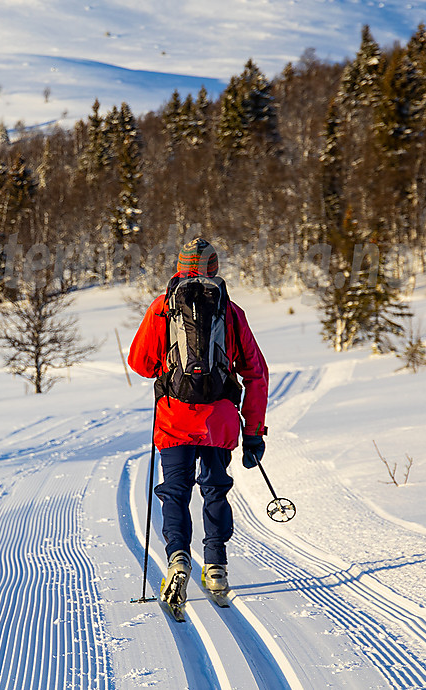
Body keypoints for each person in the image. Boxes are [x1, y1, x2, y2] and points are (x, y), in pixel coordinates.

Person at [128, 237, 268, 606]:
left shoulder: (162, 308)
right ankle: (216, 565)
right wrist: (253, 433)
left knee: (175, 491)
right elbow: (256, 373)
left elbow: (140, 365)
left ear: (179, 267)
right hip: (220, 420)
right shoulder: (231, 311)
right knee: (215, 488)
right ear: (214, 268)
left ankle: (177, 559)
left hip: (174, 417)